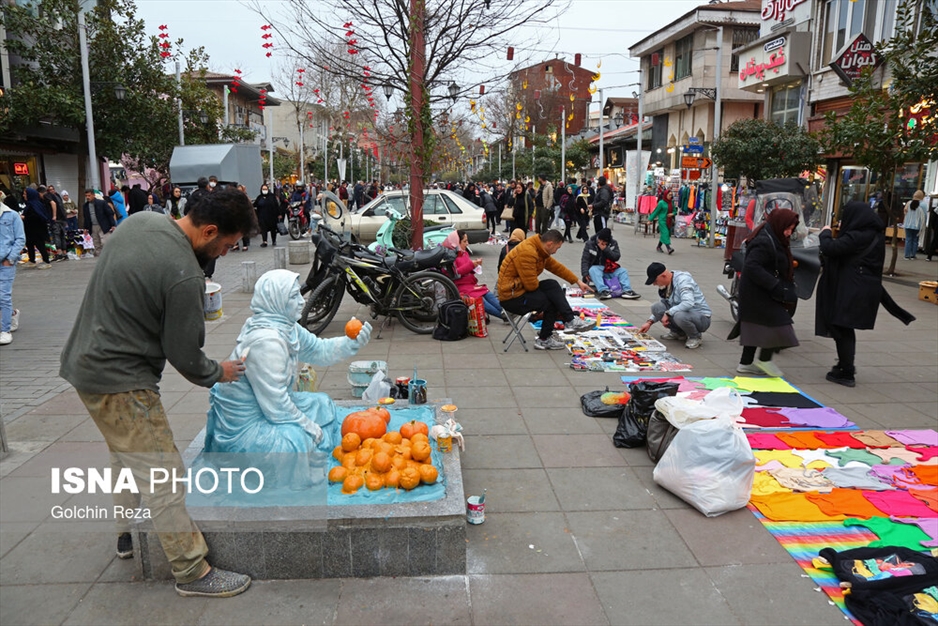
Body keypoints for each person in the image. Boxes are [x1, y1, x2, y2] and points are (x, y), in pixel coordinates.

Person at [60, 188, 259, 598]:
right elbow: (185, 354)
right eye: (226, 245)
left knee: (125, 455)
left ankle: (127, 535)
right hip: (122, 380)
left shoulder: (141, 221)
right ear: (208, 231)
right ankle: (192, 571)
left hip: (85, 364)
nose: (223, 254)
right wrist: (216, 372)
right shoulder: (184, 273)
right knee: (162, 471)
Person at [205, 270, 373, 487]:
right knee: (295, 442)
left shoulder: (286, 326)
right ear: (277, 300)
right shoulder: (267, 342)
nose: (302, 302)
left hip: (269, 410)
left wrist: (351, 343)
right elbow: (277, 407)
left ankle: (317, 453)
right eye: (294, 297)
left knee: (321, 404)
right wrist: (312, 428)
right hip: (247, 428)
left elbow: (318, 350)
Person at [815, 201, 914, 387]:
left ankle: (846, 371)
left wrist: (825, 233)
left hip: (853, 290)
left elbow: (831, 248)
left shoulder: (858, 236)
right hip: (863, 288)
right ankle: (844, 366)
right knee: (843, 326)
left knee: (843, 327)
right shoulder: (874, 235)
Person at [497, 229, 595, 350]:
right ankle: (545, 339)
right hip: (511, 297)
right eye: (557, 248)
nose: (555, 251)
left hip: (520, 290)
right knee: (551, 301)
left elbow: (556, 267)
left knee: (552, 284)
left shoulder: (539, 249)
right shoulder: (528, 252)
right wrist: (551, 295)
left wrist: (577, 281)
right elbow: (531, 286)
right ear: (550, 244)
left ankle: (570, 320)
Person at [734, 208, 801, 377]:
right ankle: (764, 360)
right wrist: (774, 284)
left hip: (760, 291)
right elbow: (752, 266)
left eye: (792, 229)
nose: (789, 232)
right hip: (758, 292)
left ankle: (745, 363)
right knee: (779, 326)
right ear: (780, 224)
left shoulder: (774, 236)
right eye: (788, 228)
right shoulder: (765, 240)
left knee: (755, 327)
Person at [637, 262, 712, 349]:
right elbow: (664, 304)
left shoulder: (683, 280)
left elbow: (688, 303)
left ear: (664, 275)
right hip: (683, 314)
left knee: (679, 315)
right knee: (656, 307)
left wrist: (668, 313)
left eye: (655, 281)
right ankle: (678, 333)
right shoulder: (667, 285)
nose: (654, 284)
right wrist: (649, 322)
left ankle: (695, 336)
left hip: (701, 317)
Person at [442, 229, 507, 322]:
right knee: (480, 300)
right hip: (460, 287)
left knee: (488, 294)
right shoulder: (449, 258)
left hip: (470, 284)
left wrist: (475, 266)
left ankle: (506, 312)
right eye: (464, 241)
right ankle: (503, 316)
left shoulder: (464, 253)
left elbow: (468, 270)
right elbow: (455, 273)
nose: (467, 243)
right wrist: (472, 265)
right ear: (457, 242)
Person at [580, 228, 640, 300]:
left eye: (604, 242)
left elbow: (616, 257)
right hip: (596, 270)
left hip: (609, 269)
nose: (601, 243)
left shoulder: (613, 243)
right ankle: (603, 291)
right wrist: (585, 273)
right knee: (593, 269)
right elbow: (585, 260)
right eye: (600, 241)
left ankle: (627, 290)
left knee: (623, 271)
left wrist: (606, 249)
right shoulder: (590, 244)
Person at [0, 196, 26, 345]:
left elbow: (20, 238)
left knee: (4, 295)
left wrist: (10, 258)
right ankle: (12, 314)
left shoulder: (12, 215)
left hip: (6, 262)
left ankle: (5, 330)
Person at [79, 189, 116, 257]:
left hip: (103, 225)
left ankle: (108, 256)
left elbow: (110, 214)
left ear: (93, 195)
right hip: (93, 226)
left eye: (89, 195)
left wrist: (113, 225)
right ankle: (99, 258)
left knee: (105, 242)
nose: (87, 197)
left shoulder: (102, 203)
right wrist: (86, 228)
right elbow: (86, 217)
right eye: (86, 196)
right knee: (96, 243)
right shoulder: (85, 206)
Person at [22, 188, 52, 268]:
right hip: (30, 230)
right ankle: (32, 260)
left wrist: (25, 217)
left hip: (37, 230)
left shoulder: (35, 205)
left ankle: (46, 261)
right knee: (29, 244)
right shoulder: (30, 204)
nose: (23, 195)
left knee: (40, 245)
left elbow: (37, 217)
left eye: (25, 194)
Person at [253, 182, 282, 247]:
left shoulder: (272, 196)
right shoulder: (259, 197)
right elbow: (255, 205)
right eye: (263, 189)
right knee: (263, 229)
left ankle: (273, 240)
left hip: (272, 216)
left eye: (265, 189)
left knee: (273, 229)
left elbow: (276, 205)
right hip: (262, 216)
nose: (264, 190)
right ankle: (265, 241)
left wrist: (279, 214)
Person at [649, 190, 674, 254]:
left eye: (671, 195)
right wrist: (650, 220)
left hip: (669, 221)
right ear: (666, 195)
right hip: (662, 220)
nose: (670, 196)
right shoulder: (661, 203)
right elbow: (656, 212)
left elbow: (675, 211)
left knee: (666, 234)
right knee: (665, 233)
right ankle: (669, 248)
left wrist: (672, 214)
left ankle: (658, 246)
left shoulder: (671, 202)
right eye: (669, 195)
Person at [903, 190, 926, 260]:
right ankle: (913, 255)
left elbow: (905, 211)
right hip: (917, 226)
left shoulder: (909, 203)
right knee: (915, 240)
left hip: (908, 224)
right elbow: (924, 216)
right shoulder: (923, 205)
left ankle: (907, 255)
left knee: (908, 240)